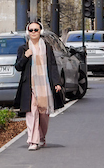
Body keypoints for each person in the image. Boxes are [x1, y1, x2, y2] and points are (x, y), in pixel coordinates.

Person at [13, 22, 65, 151]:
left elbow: (52, 65)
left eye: (36, 30)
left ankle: (41, 137)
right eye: (31, 30)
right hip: (29, 85)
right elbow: (18, 67)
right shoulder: (23, 48)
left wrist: (57, 83)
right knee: (31, 112)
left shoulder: (47, 47)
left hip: (45, 85)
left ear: (40, 31)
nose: (33, 32)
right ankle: (33, 140)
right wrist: (25, 57)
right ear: (28, 32)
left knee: (43, 114)